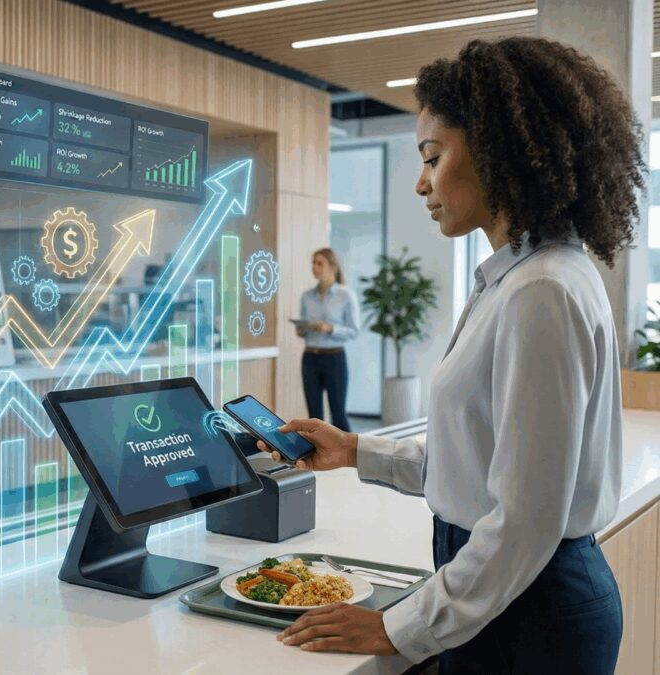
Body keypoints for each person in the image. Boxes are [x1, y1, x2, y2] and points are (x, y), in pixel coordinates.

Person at [264, 37, 644, 673]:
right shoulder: (523, 278)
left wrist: (398, 626)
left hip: (529, 613)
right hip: (512, 598)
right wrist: (356, 450)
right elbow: (483, 461)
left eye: (433, 158)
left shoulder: (541, 290)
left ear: (497, 153)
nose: (421, 183)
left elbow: (523, 521)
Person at [297, 248, 360, 432]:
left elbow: (354, 331)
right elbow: (302, 330)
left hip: (334, 359)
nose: (314, 267)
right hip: (309, 358)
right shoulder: (306, 296)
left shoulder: (345, 295)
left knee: (338, 415)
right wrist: (303, 328)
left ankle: (348, 459)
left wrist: (330, 328)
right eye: (313, 263)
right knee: (314, 417)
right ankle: (317, 459)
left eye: (319, 263)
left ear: (332, 266)